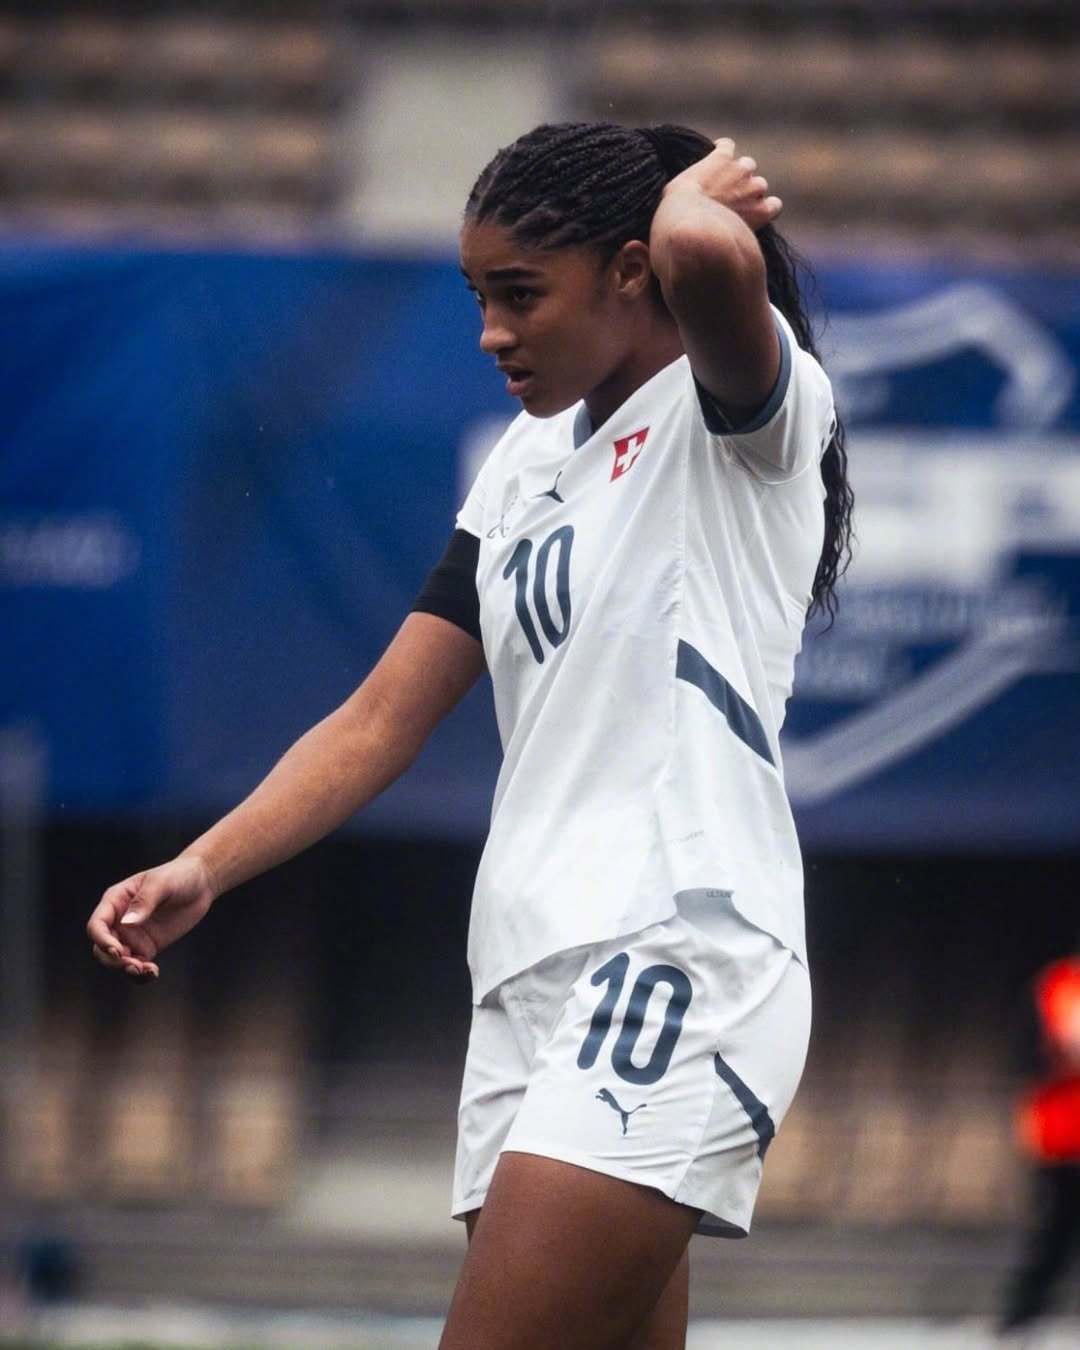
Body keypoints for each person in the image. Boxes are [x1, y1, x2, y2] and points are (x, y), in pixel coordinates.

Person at [87, 122, 853, 1350]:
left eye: (520, 294)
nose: (491, 333)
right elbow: (378, 718)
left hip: (673, 947)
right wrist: (204, 866)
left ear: (631, 270)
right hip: (524, 973)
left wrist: (687, 200)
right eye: (477, 298)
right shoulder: (526, 461)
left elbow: (713, 257)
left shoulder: (743, 417)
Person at [1000, 953, 1080, 1338]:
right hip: (1061, 1132)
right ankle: (1021, 1318)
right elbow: (1031, 1054)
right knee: (1055, 1231)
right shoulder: (1059, 986)